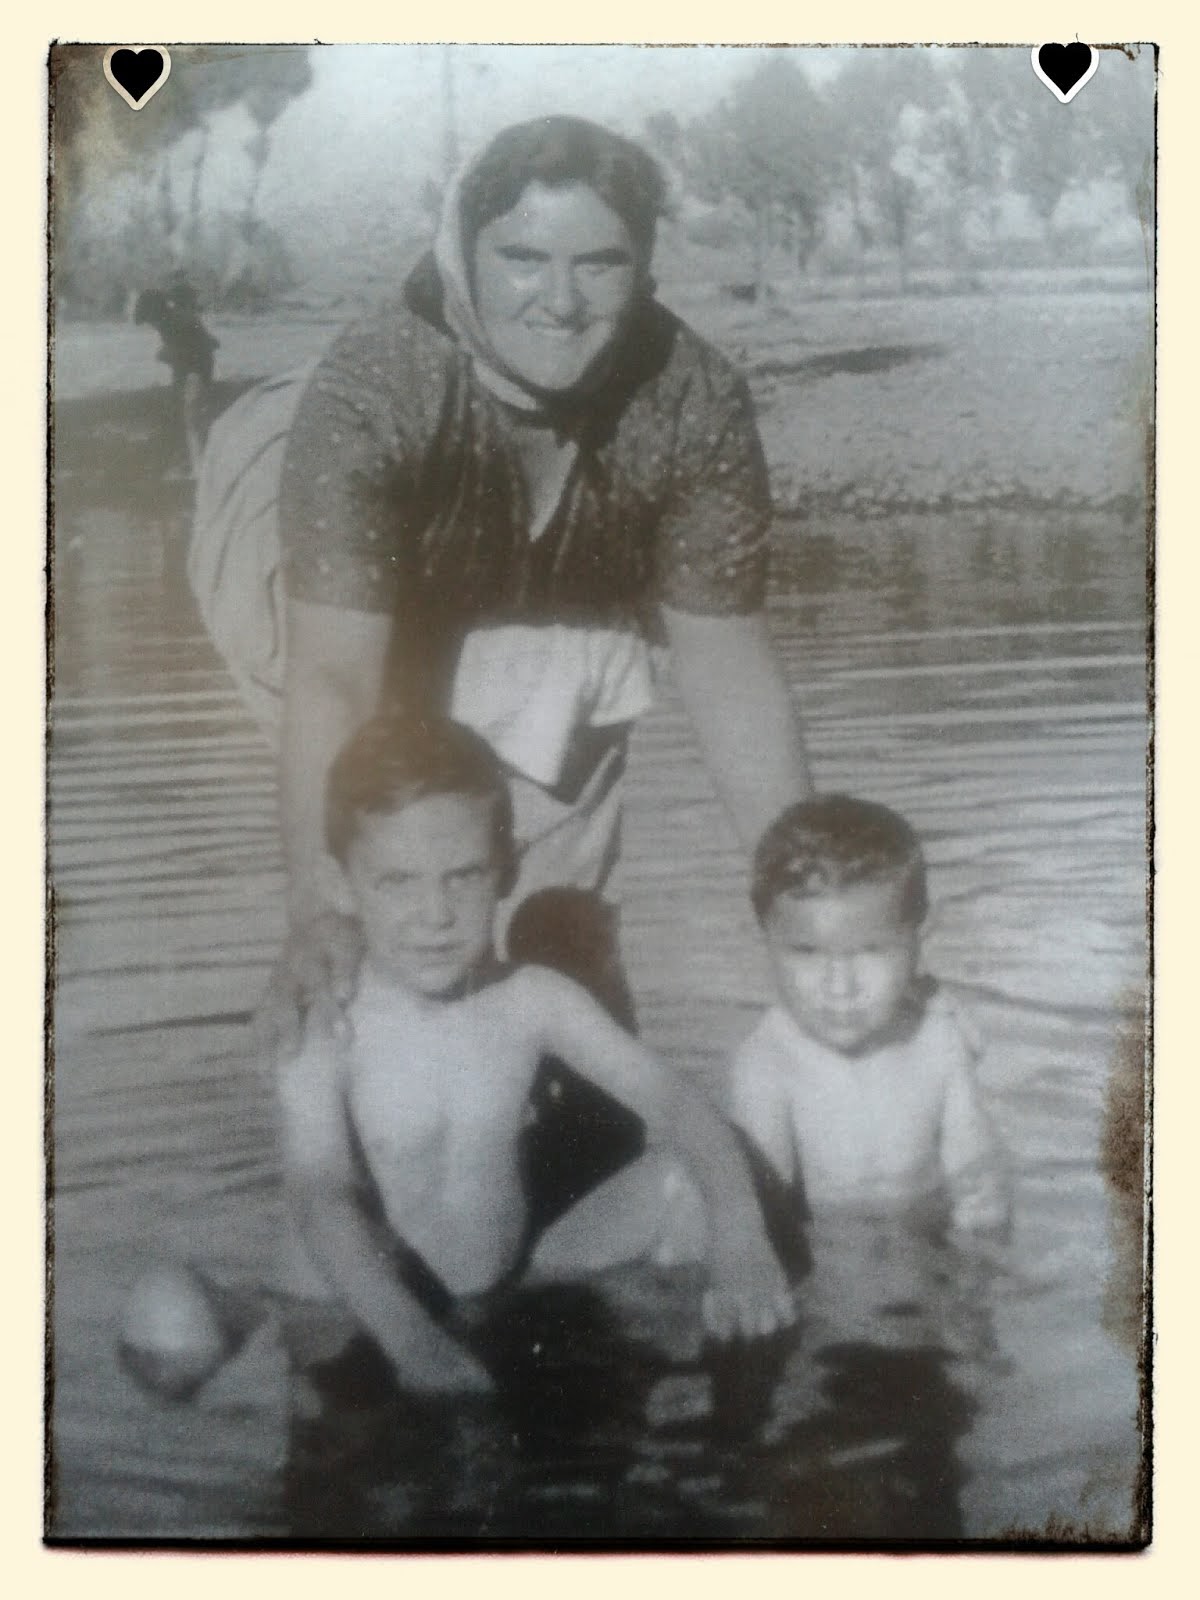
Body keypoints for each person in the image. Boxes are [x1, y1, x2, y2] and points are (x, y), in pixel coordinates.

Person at [261, 114, 812, 1227]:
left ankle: (561, 1220)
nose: (560, 302)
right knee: (398, 903)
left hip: (562, 622)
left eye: (599, 262)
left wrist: (804, 901)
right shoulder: (376, 386)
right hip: (365, 625)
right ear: (466, 255)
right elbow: (332, 680)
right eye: (523, 258)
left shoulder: (693, 398)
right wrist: (314, 908)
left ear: (645, 268)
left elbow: (726, 664)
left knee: (555, 935)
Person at [277, 709, 795, 1406]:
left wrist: (741, 1243)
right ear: (341, 885)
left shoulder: (531, 999)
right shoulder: (329, 1022)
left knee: (689, 1180)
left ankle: (693, 1375)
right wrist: (414, 1345)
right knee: (169, 1312)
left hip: (513, 1285)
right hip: (362, 1314)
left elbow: (677, 1102)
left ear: (507, 871)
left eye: (462, 877)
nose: (434, 914)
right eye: (397, 882)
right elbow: (321, 1198)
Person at [727, 795, 1011, 1233]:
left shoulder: (938, 1039)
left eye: (871, 950)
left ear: (922, 934)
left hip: (932, 1253)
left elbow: (976, 1170)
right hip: (831, 1270)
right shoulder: (768, 1067)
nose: (840, 987)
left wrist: (985, 1242)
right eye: (807, 952)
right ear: (762, 938)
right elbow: (762, 1223)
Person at [134, 270, 219, 476]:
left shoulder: (175, 322)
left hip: (196, 369)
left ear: (155, 313)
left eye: (150, 320)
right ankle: (194, 461)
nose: (152, 326)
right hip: (191, 368)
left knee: (193, 417)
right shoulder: (172, 319)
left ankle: (200, 466)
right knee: (186, 414)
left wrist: (169, 355)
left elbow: (203, 345)